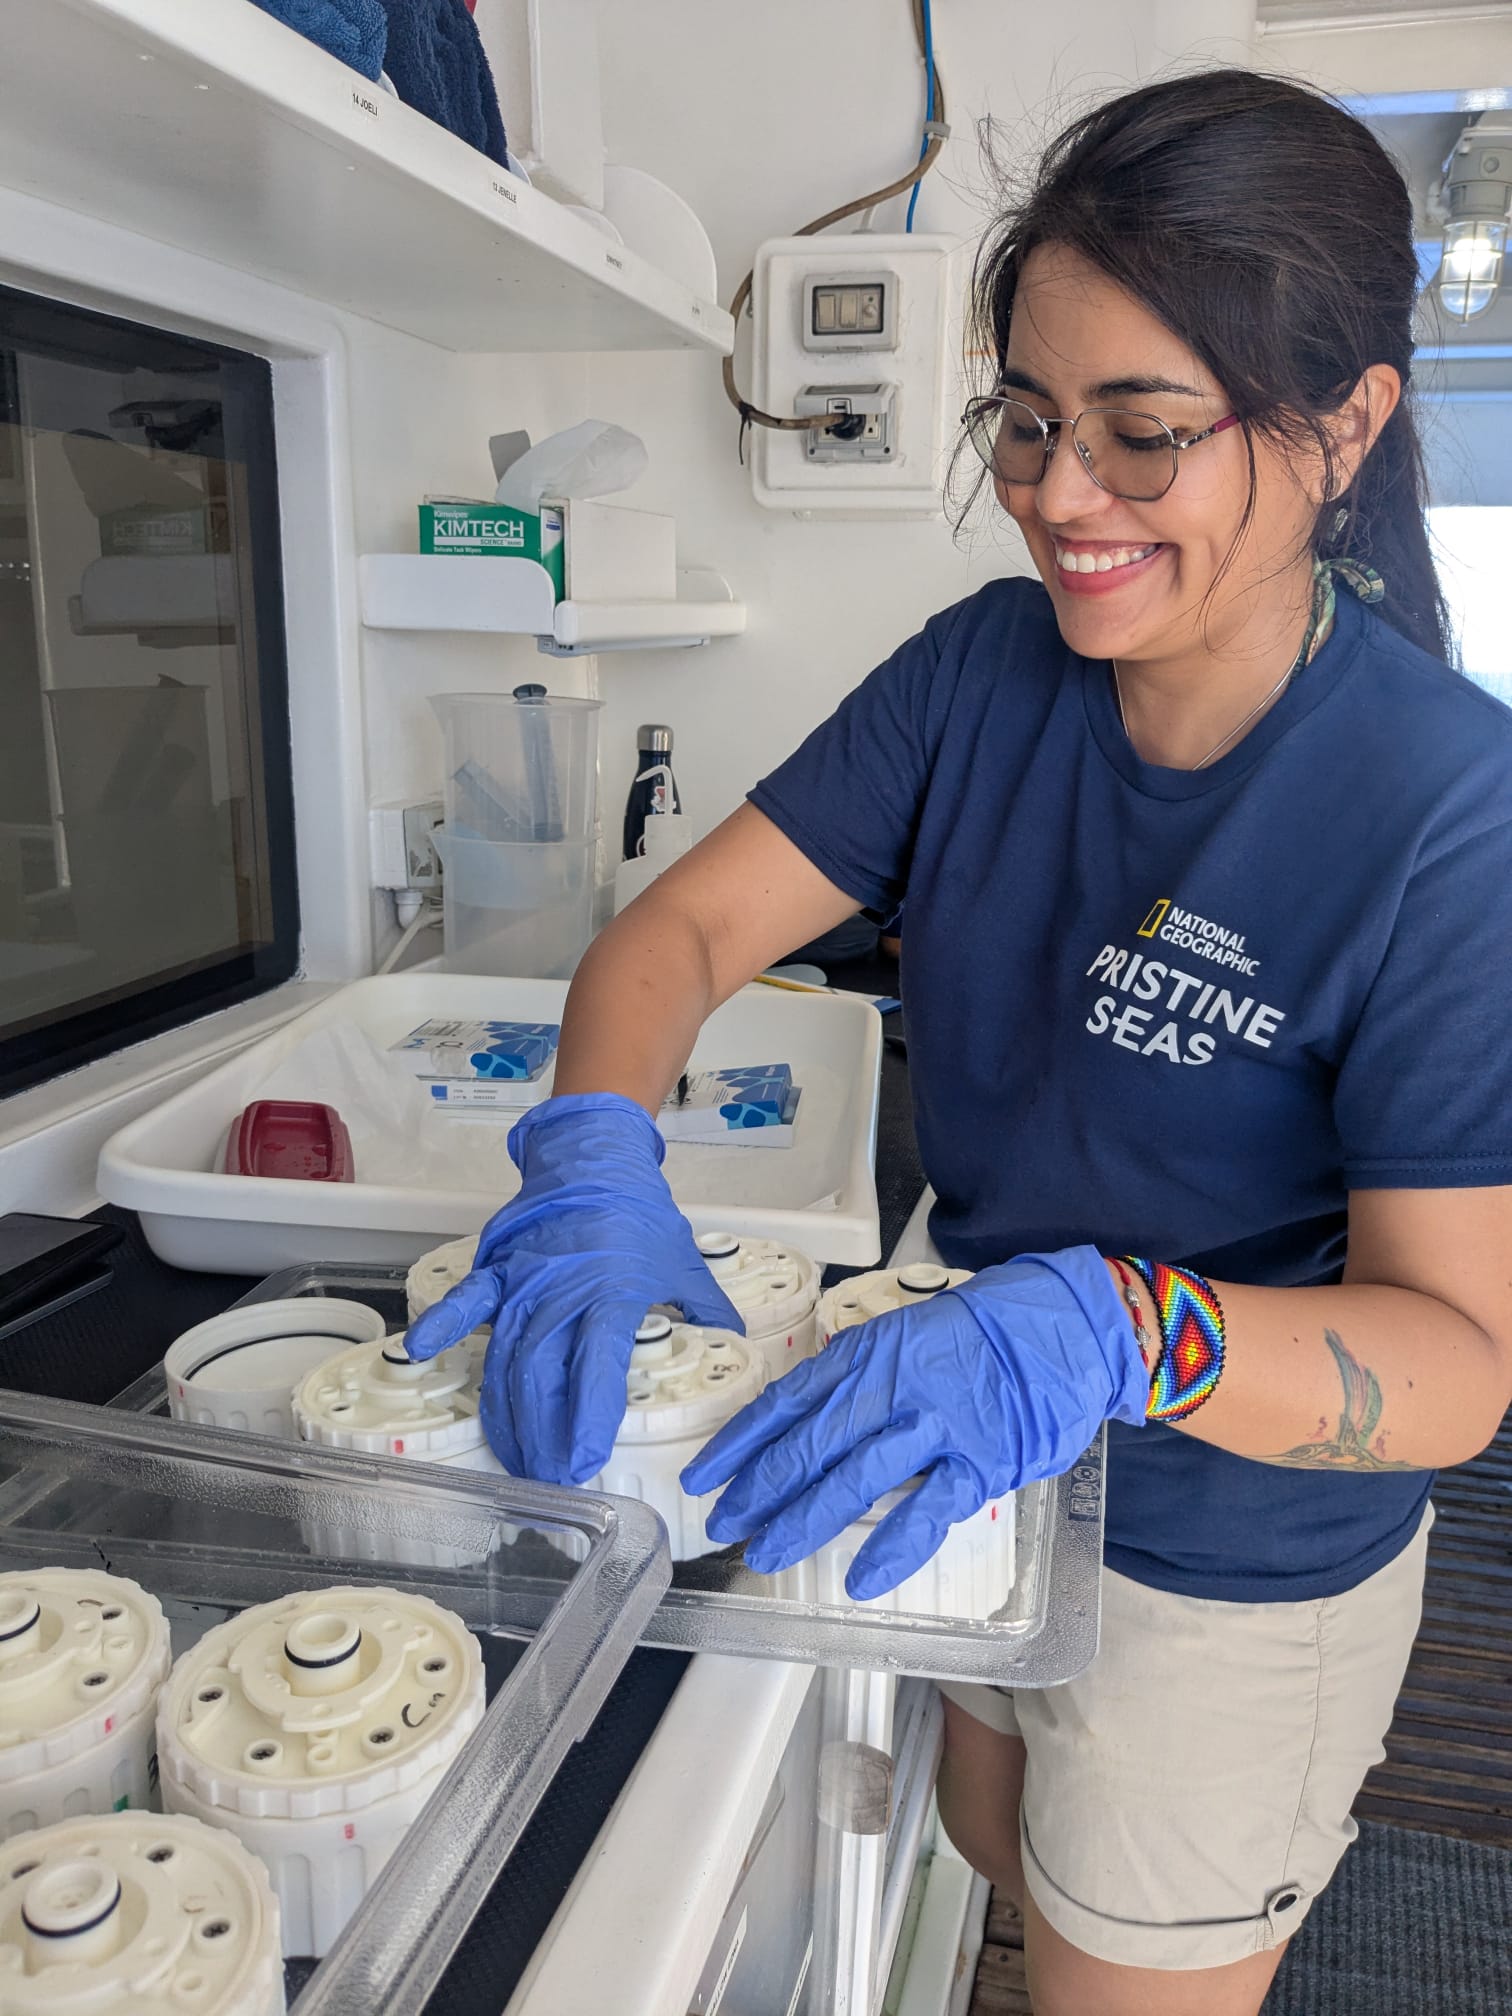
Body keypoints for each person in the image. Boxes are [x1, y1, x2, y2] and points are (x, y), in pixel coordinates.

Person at [407, 68, 1512, 2016]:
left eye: (1143, 435)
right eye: (1027, 419)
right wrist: (590, 1152)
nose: (1060, 498)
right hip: (980, 1455)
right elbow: (675, 934)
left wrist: (1129, 1327)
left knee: (1122, 1951)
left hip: (1230, 1558)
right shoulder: (981, 675)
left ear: (1346, 430)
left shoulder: (1446, 818)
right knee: (997, 1867)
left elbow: (1451, 1375)